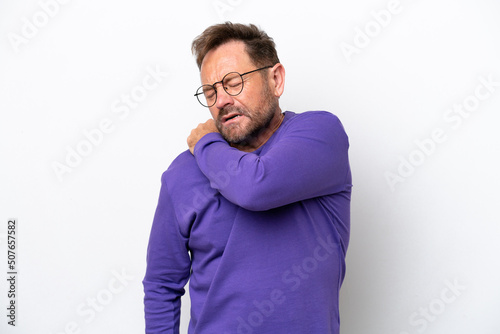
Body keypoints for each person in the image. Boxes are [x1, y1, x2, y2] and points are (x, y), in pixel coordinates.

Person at [143, 22, 352, 334]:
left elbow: (256, 187)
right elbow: (161, 285)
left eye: (233, 82)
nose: (221, 100)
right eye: (210, 92)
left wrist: (205, 142)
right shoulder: (183, 173)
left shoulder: (320, 136)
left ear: (276, 79)